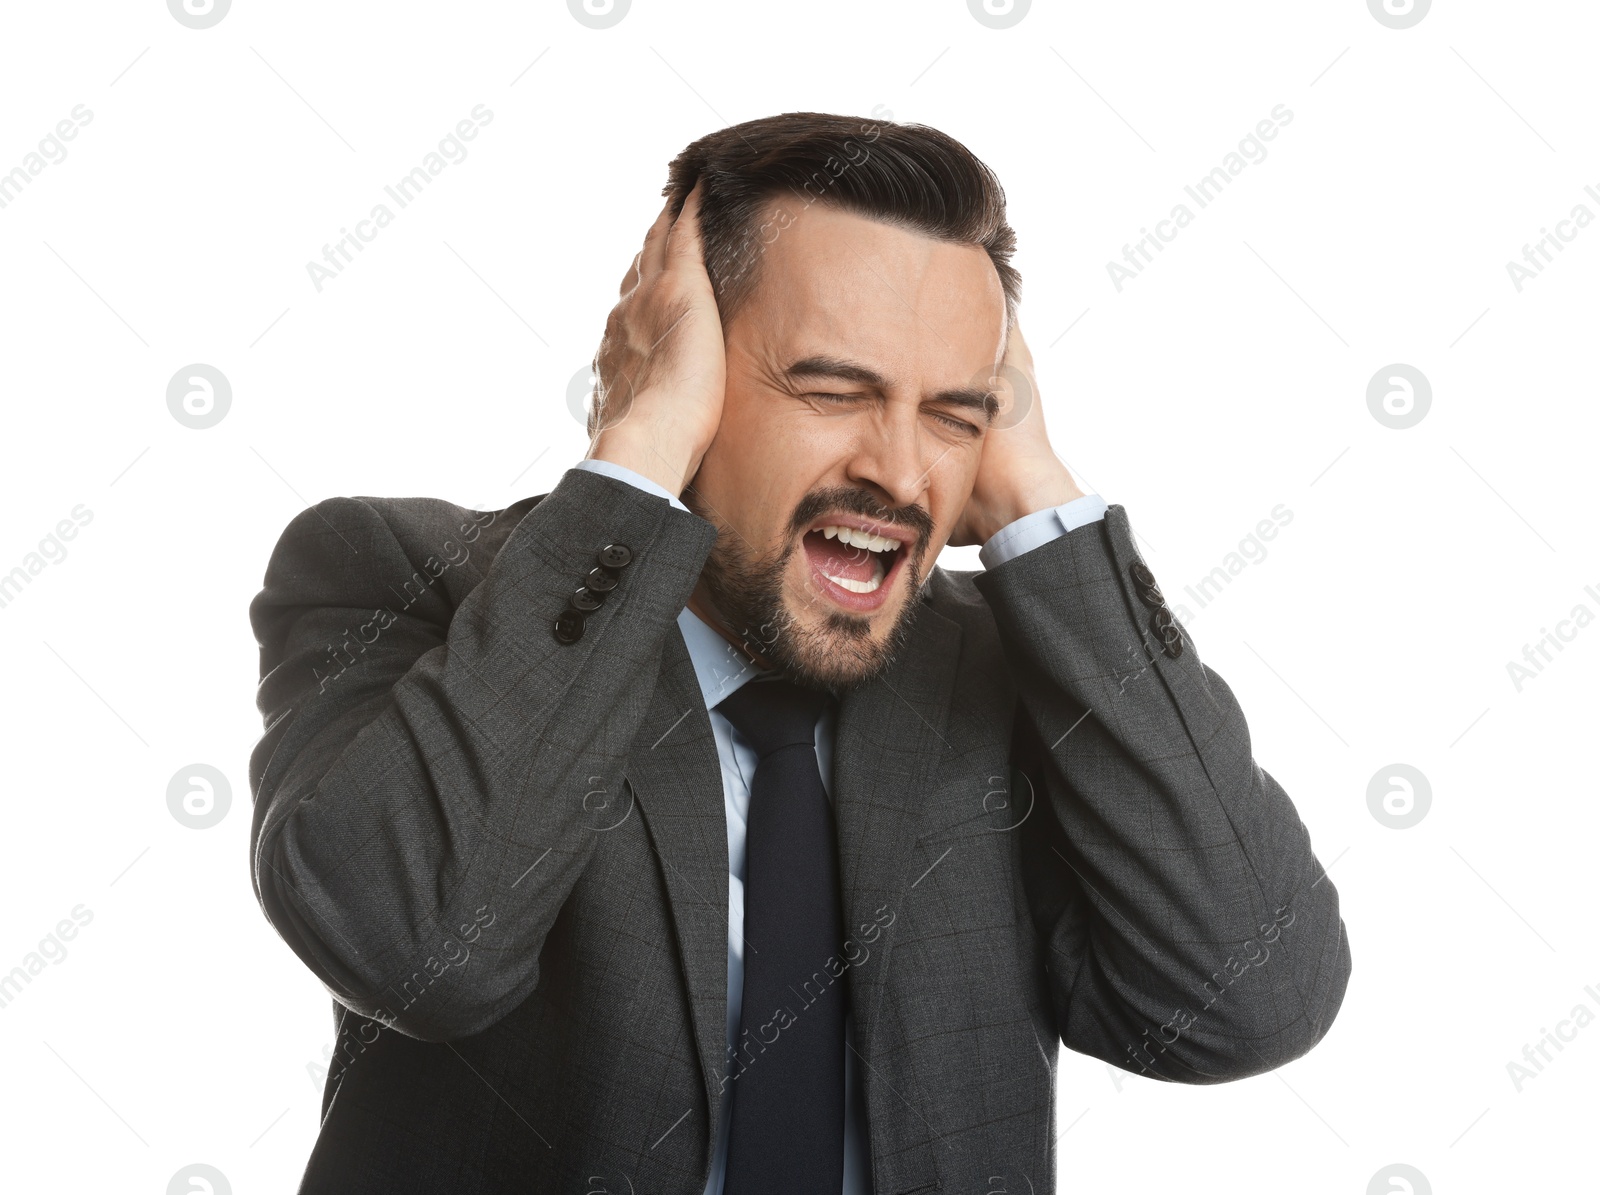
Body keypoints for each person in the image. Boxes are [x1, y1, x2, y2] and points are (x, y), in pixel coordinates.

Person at [248, 111, 1351, 1194]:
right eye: (833, 390)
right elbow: (414, 951)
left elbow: (1247, 1000)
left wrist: (1038, 502)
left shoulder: (1007, 671)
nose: (901, 472)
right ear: (683, 370)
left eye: (956, 415)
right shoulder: (404, 577)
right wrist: (636, 450)